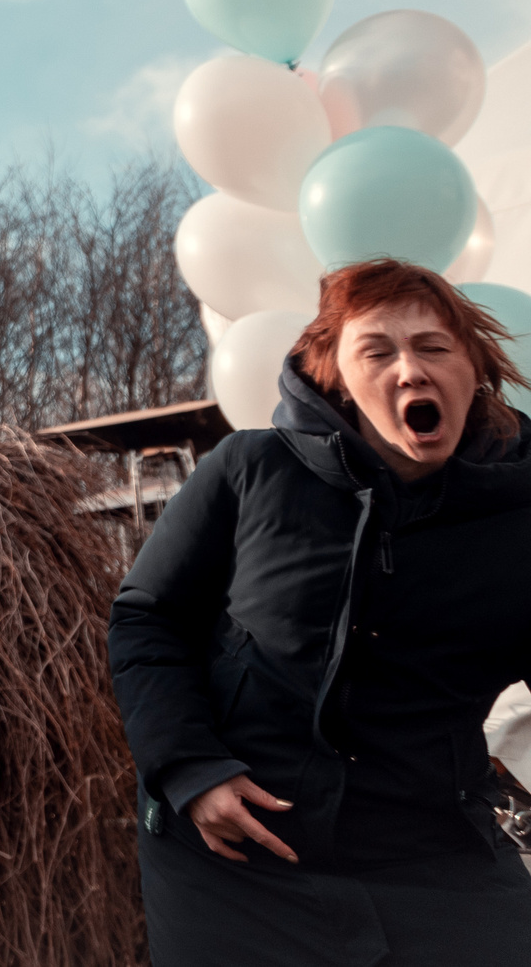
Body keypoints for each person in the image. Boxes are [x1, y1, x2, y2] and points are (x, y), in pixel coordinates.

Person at [111, 258, 531, 965]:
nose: (410, 369)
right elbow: (148, 617)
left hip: (435, 852)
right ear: (335, 375)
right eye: (377, 349)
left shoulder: (520, 519)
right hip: (235, 857)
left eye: (434, 346)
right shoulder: (248, 470)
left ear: (475, 370)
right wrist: (189, 767)